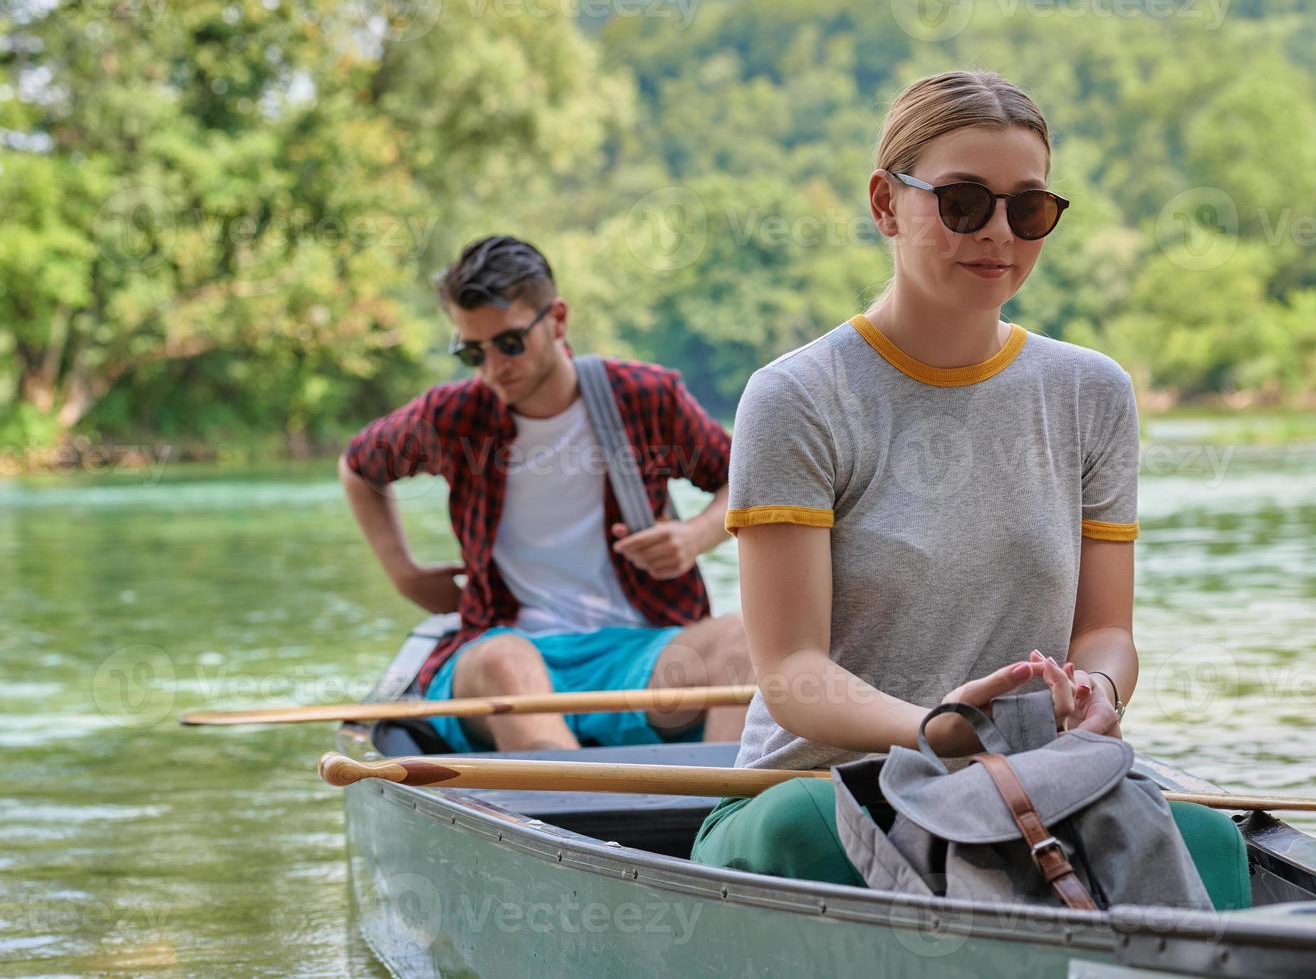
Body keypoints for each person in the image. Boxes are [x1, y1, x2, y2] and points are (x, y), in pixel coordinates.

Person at [689, 70, 1251, 911]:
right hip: (829, 791)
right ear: (886, 204)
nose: (998, 234)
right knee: (801, 832)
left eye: (1028, 210)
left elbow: (1104, 631)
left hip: (1029, 788)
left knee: (1211, 842)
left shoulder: (1092, 392)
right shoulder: (797, 397)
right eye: (962, 202)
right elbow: (793, 676)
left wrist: (1099, 690)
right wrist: (932, 726)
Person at [340, 235, 750, 752]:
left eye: (510, 344)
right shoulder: (453, 416)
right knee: (503, 661)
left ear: (556, 319)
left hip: (638, 655)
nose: (493, 368)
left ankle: (722, 817)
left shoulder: (644, 396)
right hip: (505, 652)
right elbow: (359, 467)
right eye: (473, 351)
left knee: (744, 640)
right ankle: (588, 824)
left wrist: (695, 535)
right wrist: (404, 574)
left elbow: (742, 475)